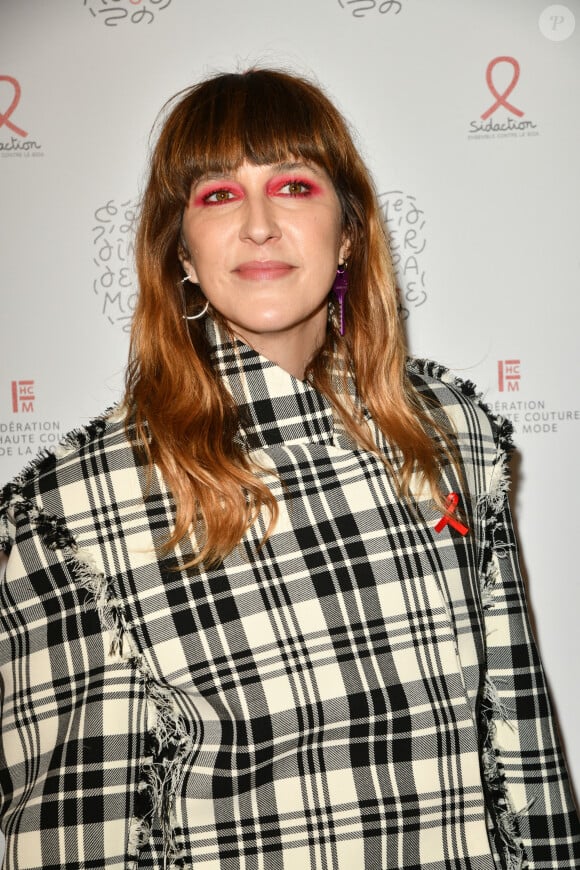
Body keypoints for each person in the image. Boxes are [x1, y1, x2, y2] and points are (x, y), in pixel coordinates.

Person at [0, 68, 578, 870]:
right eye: (217, 196)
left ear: (347, 234)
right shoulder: (77, 504)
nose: (260, 225)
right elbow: (66, 831)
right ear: (182, 254)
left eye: (295, 184)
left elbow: (518, 741)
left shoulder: (452, 435)